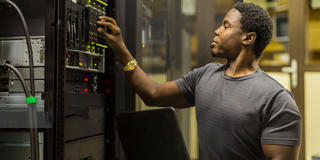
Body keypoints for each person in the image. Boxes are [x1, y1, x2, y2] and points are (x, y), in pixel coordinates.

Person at [97, 2, 301, 160]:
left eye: (226, 26)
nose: (216, 30)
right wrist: (122, 50)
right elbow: (153, 94)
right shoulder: (205, 75)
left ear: (248, 38)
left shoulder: (277, 100)